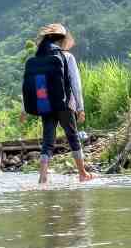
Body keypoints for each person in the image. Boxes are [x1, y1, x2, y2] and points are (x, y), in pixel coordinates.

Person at [26, 23, 93, 185]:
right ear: (62, 39)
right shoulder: (67, 57)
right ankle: (82, 173)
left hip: (45, 105)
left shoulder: (37, 58)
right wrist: (80, 107)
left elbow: (31, 86)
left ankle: (43, 177)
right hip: (65, 104)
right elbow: (75, 84)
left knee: (48, 140)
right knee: (73, 137)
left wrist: (24, 108)